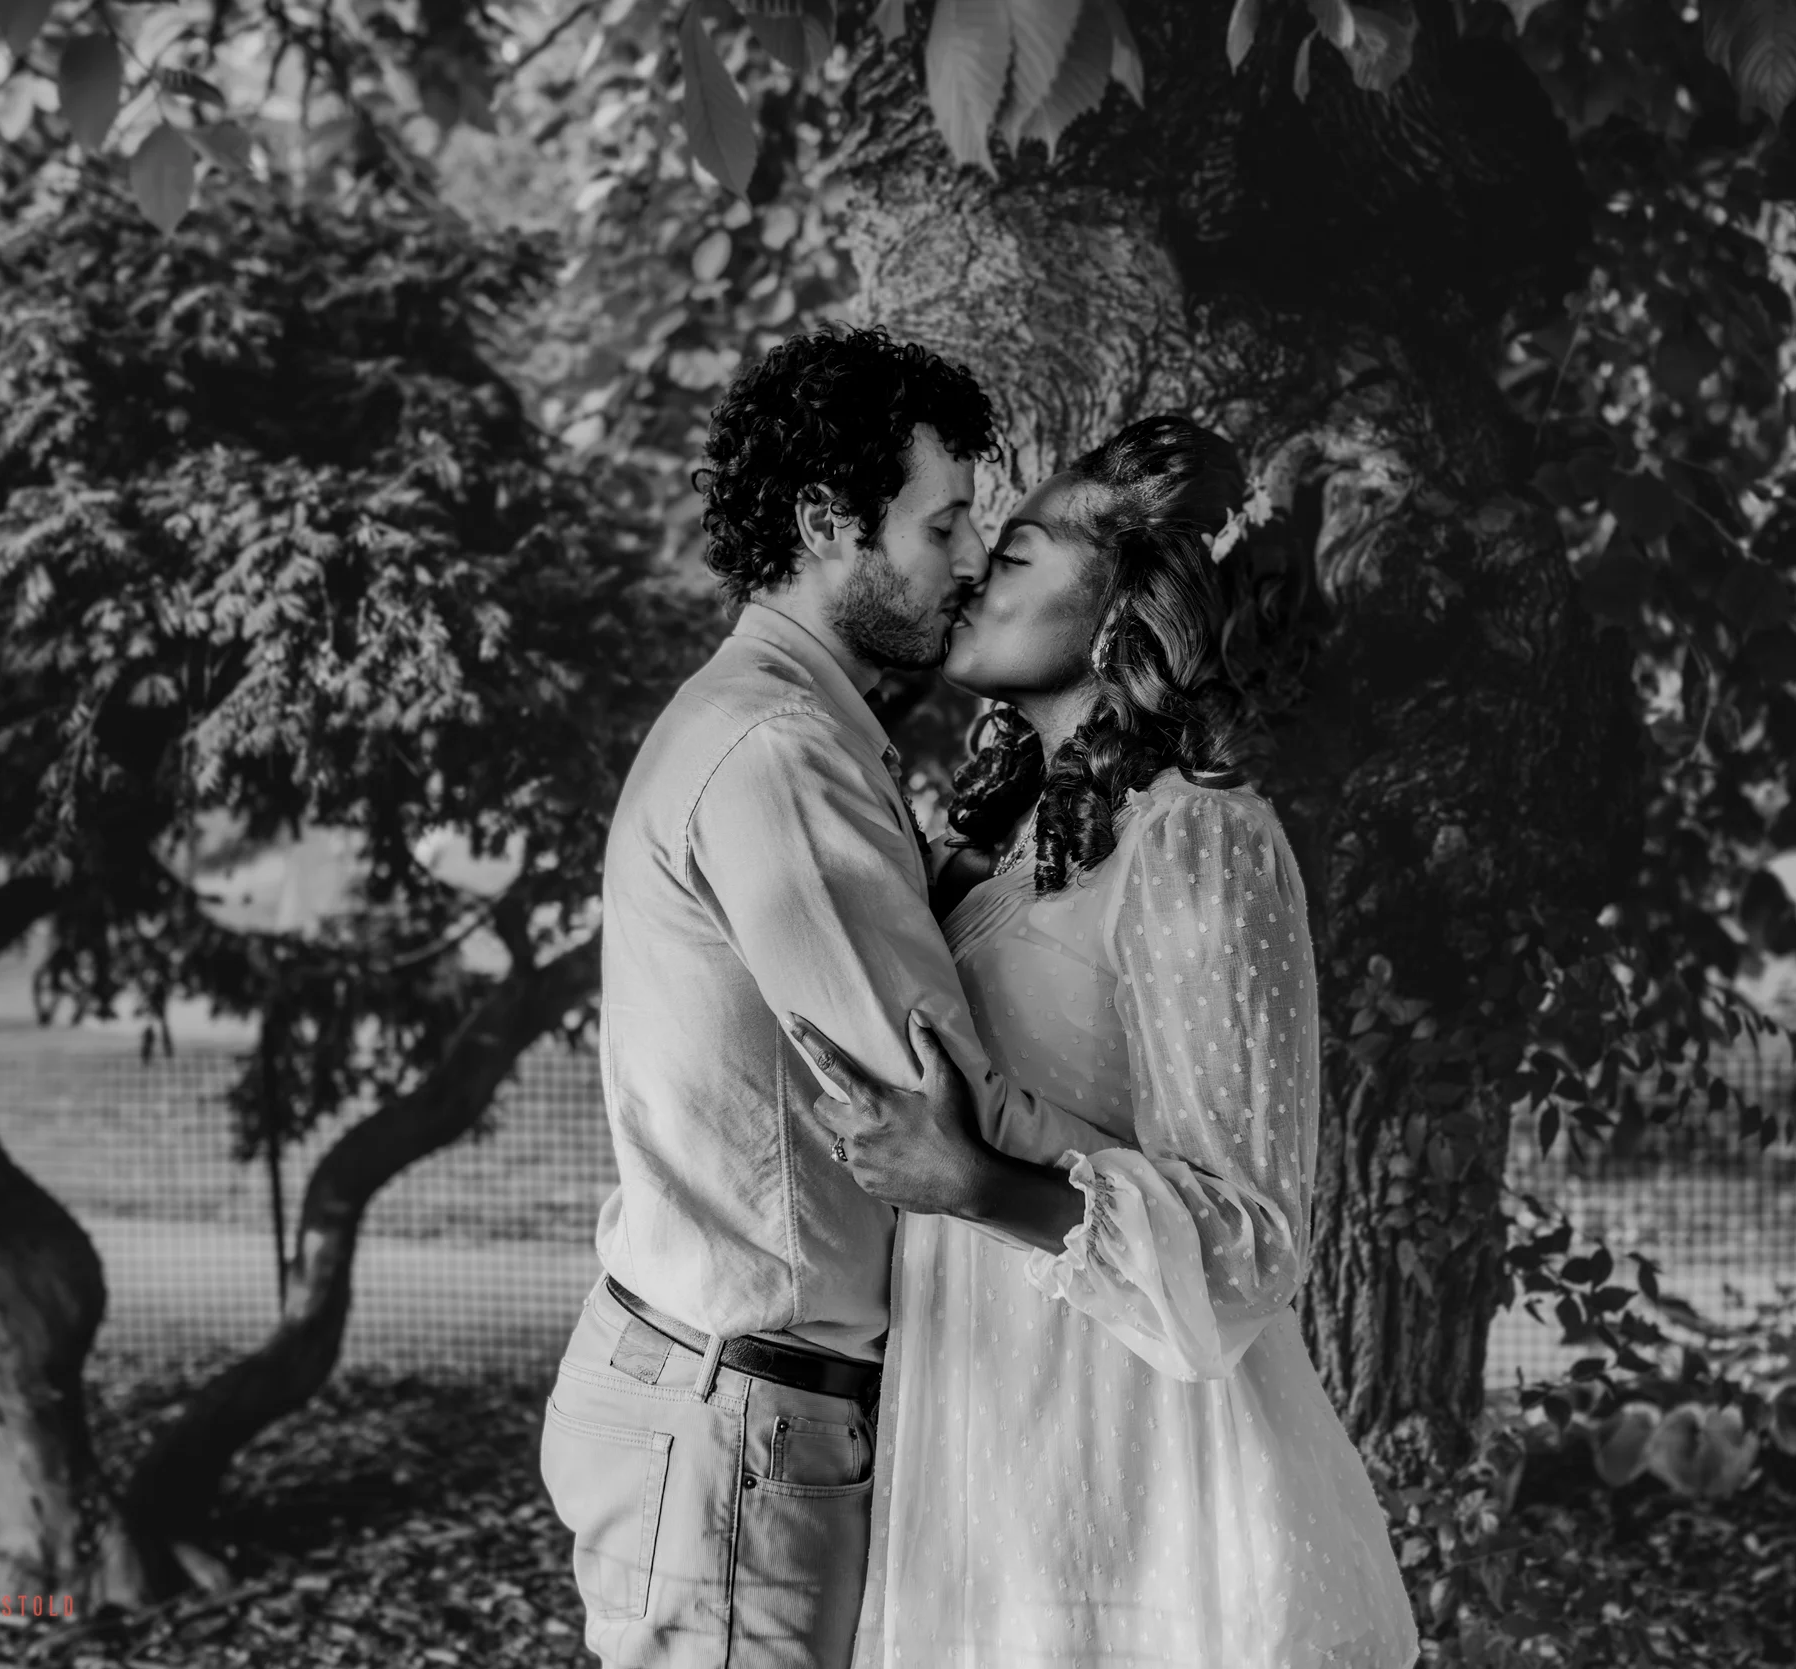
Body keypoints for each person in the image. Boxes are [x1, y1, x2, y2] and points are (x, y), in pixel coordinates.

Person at [790, 415, 1422, 1667]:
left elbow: (1247, 1239)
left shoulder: (1197, 839)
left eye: (1016, 555)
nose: (973, 570)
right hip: (985, 1432)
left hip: (1136, 1456)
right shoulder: (1001, 843)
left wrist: (973, 1183)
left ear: (1128, 604)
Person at [538, 325, 1106, 1669]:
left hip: (720, 1395)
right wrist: (1166, 1201)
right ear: (823, 520)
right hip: (743, 1417)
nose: (970, 559)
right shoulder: (777, 751)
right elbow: (938, 1104)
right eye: (943, 521)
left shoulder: (777, 721)